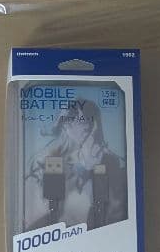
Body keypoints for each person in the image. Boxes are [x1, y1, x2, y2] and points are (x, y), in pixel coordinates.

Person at [23, 97, 128, 231]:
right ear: (66, 125)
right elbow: (35, 210)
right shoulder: (45, 160)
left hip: (99, 233)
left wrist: (94, 170)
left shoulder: (109, 161)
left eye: (92, 120)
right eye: (82, 120)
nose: (89, 126)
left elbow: (116, 210)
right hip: (54, 233)